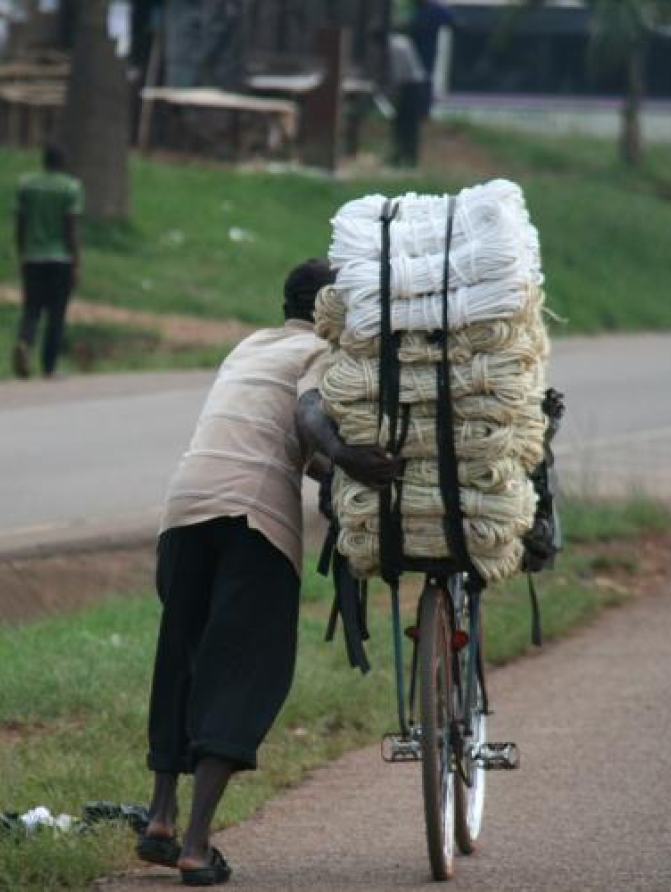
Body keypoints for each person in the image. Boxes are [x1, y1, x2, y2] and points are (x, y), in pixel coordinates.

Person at [136, 258, 400, 886]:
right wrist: (346, 456)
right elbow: (310, 415)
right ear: (331, 310)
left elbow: (274, 434)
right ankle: (198, 845)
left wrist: (326, 465)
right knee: (244, 671)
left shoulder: (250, 346)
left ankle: (161, 818)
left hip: (184, 509)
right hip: (250, 523)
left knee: (184, 658)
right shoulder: (319, 351)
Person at [13, 144, 82, 379]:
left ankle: (25, 342)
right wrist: (76, 262)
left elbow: (20, 223)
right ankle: (49, 367)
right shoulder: (70, 187)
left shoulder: (27, 185)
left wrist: (22, 252)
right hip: (60, 259)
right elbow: (70, 228)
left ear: (43, 161)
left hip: (32, 257)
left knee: (31, 309)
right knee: (56, 313)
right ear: (62, 162)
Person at [387, 28, 429, 168]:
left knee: (405, 124)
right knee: (408, 125)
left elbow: (398, 74)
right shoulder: (402, 41)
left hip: (410, 87)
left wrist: (393, 92)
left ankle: (404, 156)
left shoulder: (394, 47)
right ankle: (406, 156)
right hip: (416, 84)